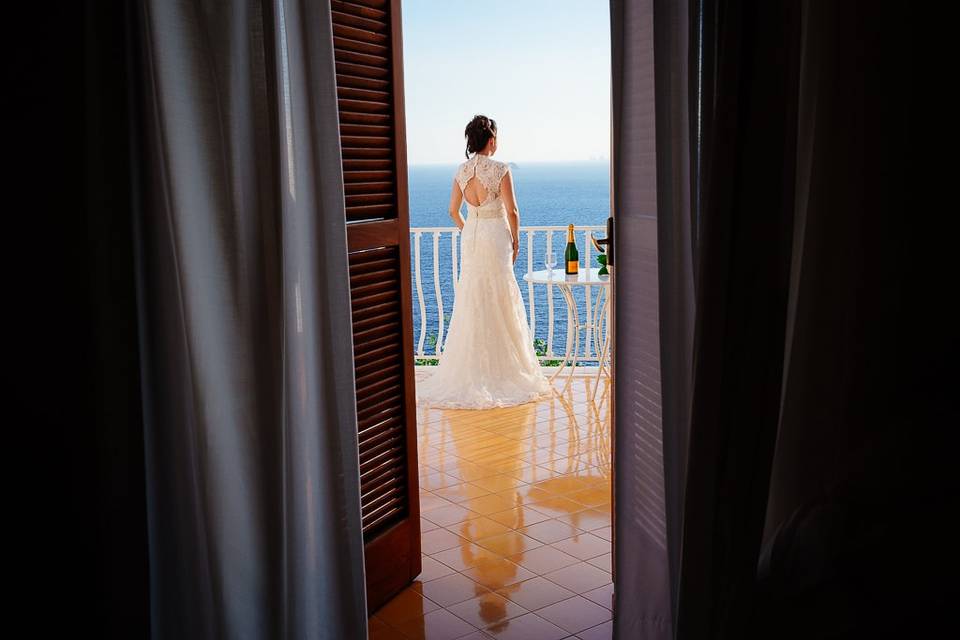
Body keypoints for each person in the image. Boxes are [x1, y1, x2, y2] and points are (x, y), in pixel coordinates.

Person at [415, 115, 554, 409]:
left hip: (474, 237)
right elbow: (512, 210)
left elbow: (453, 211)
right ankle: (504, 370)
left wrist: (470, 230)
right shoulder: (501, 169)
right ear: (492, 140)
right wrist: (516, 241)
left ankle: (473, 370)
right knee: (500, 295)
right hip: (495, 237)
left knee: (473, 297)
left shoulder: (462, 171)